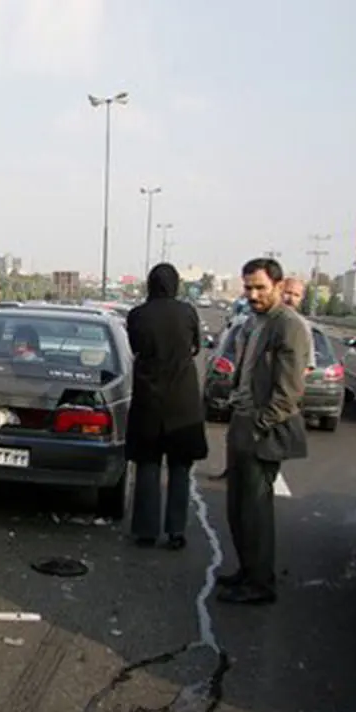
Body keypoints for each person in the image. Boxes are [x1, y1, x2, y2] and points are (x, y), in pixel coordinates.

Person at [218, 257, 310, 605]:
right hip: (241, 421)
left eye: (260, 287)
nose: (253, 294)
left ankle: (260, 583)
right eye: (248, 287)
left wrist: (258, 425)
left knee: (255, 511)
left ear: (278, 285)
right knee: (237, 508)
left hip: (262, 429)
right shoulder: (254, 322)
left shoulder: (288, 325)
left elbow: (289, 393)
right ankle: (247, 570)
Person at [125, 263, 209, 550]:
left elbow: (134, 347)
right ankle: (176, 531)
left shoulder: (137, 315)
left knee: (147, 464)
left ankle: (146, 530)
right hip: (182, 399)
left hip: (149, 397)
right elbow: (196, 347)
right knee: (179, 467)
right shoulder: (187, 312)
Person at [280, 277, 318, 370]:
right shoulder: (263, 319)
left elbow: (309, 365)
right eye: (288, 293)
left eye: (296, 295)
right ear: (279, 291)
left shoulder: (302, 325)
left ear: (301, 298)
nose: (291, 298)